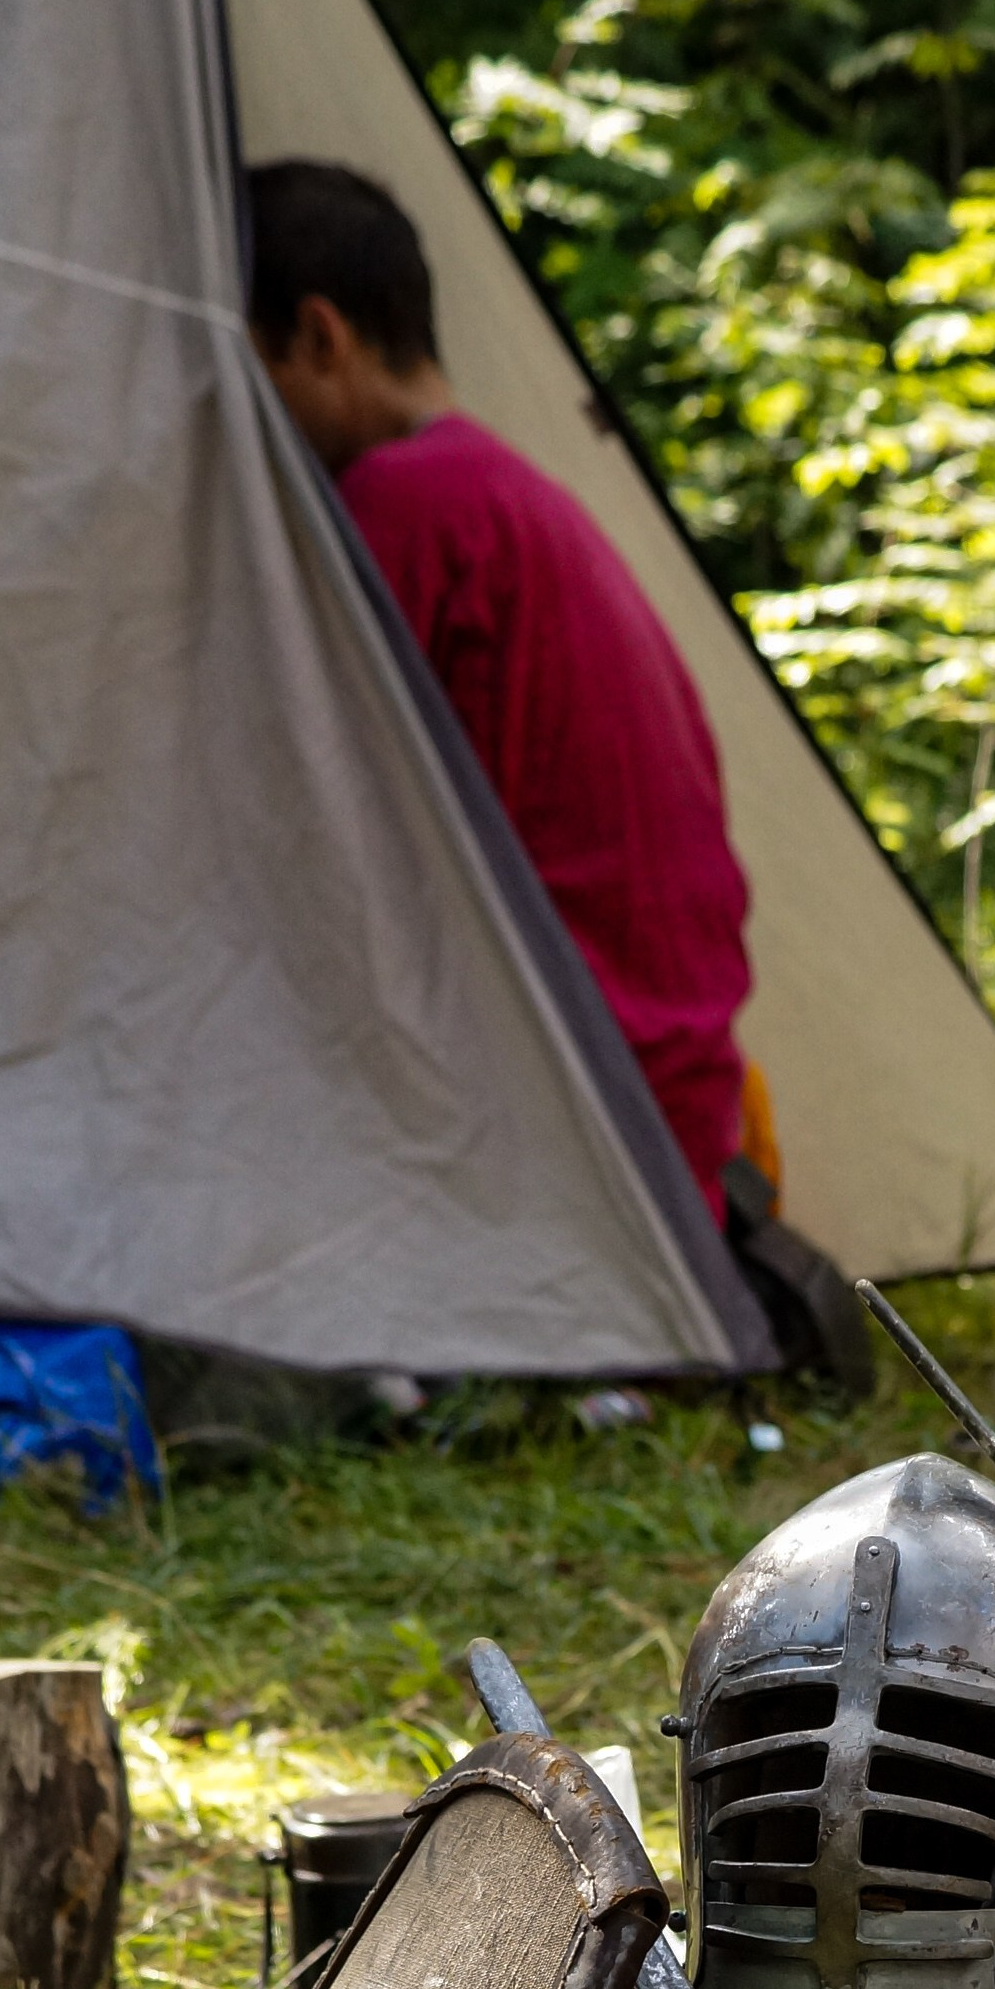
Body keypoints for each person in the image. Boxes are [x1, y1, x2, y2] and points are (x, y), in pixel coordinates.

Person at [246, 159, 749, 1225]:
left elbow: (297, 814)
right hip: (670, 1107)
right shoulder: (509, 492)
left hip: (574, 1120)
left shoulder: (407, 503)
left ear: (321, 336)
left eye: (254, 372)